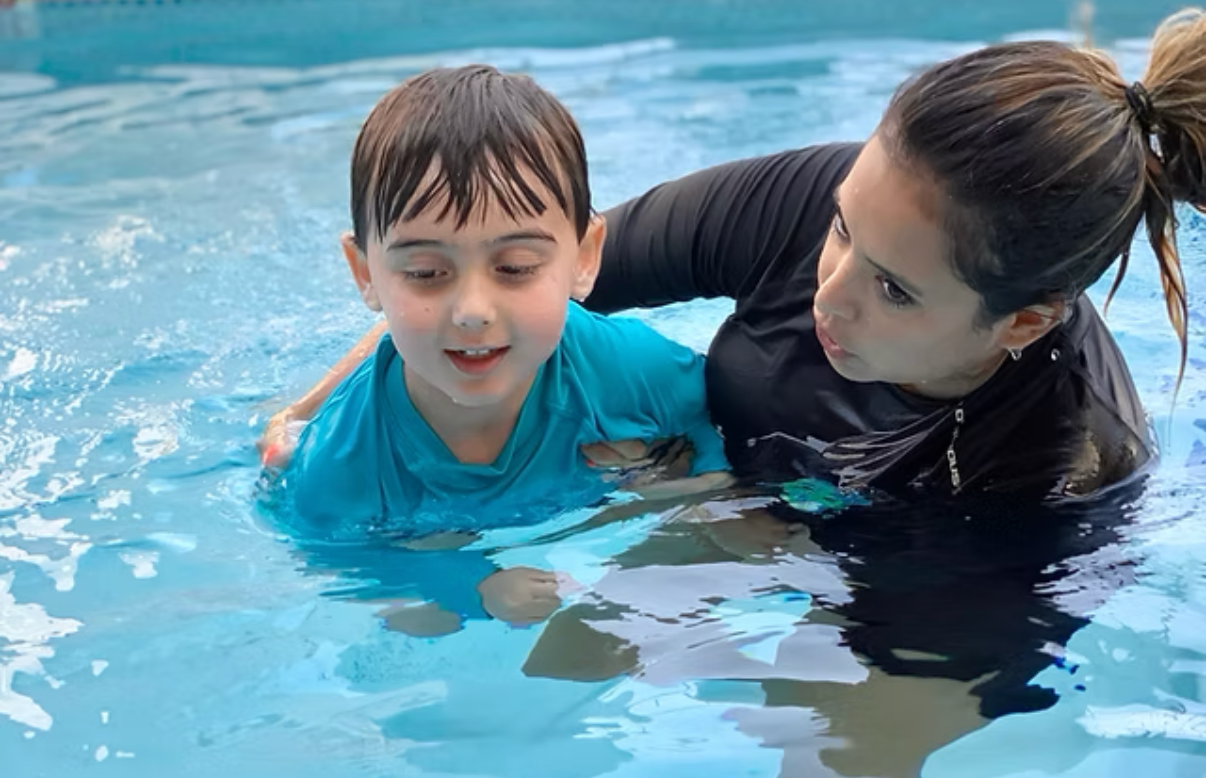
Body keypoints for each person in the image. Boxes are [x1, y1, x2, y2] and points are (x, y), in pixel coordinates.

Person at [263, 9, 1206, 502]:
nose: (825, 296)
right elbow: (509, 274)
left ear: (1026, 321)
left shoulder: (1058, 466)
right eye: (843, 228)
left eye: (891, 289)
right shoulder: (803, 196)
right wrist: (311, 409)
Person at [267, 65, 730, 543]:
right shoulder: (336, 472)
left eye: (515, 267)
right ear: (365, 273)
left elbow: (718, 440)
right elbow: (347, 567)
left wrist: (673, 486)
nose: (473, 310)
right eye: (426, 274)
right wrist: (471, 582)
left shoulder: (633, 372)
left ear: (585, 258)